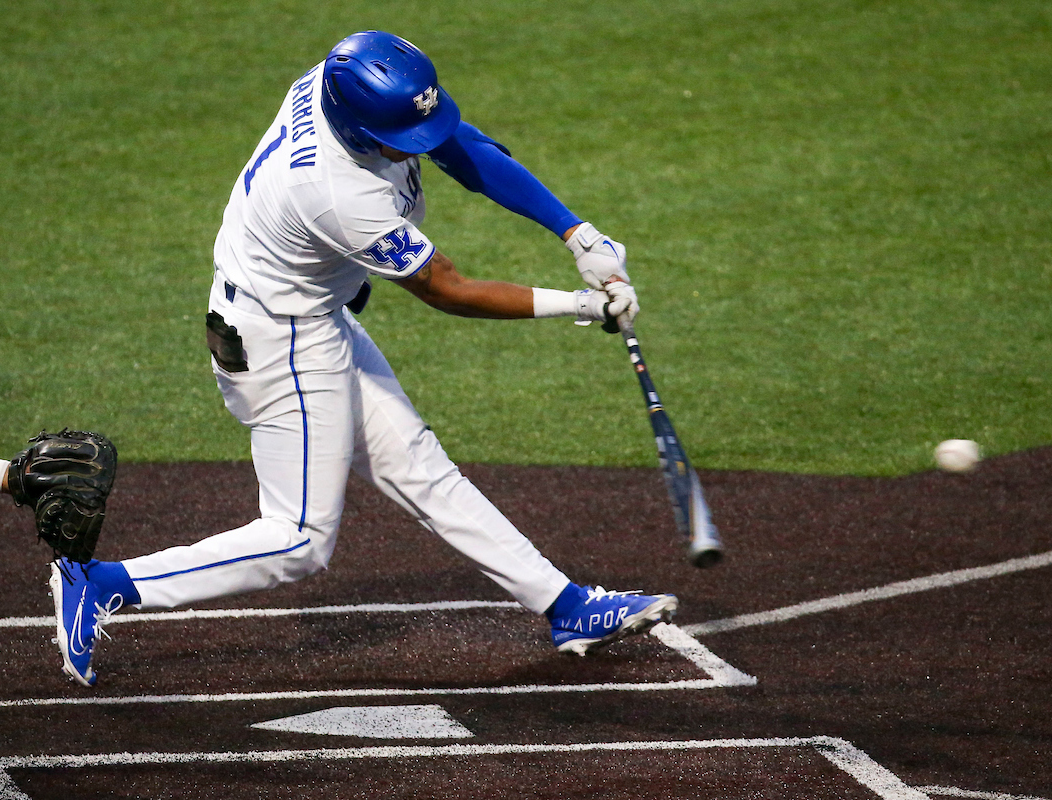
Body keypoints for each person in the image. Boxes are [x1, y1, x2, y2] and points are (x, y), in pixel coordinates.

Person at [48, 30, 678, 687]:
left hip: (303, 314)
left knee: (418, 465)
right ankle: (103, 583)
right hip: (281, 342)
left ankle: (567, 607)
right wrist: (581, 305)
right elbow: (448, 290)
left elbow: (458, 144)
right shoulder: (334, 192)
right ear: (354, 128)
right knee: (297, 540)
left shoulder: (350, 82)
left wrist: (576, 231)